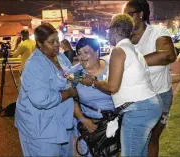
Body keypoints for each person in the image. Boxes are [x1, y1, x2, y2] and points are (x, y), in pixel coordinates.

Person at [79, 14, 162, 156]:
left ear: (115, 29)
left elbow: (112, 87)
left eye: (108, 29)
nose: (107, 33)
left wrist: (92, 82)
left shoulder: (119, 50)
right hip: (150, 105)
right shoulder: (132, 49)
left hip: (138, 109)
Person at [14, 23, 78, 157]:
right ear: (39, 44)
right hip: (40, 129)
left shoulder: (60, 57)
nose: (56, 45)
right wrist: (70, 93)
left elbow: (69, 75)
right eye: (51, 42)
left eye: (57, 41)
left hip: (61, 123)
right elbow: (42, 100)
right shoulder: (34, 65)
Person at [123, 1, 176, 156]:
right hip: (134, 98)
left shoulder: (157, 31)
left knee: (153, 137)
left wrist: (132, 63)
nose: (127, 18)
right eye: (124, 15)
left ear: (141, 14)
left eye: (130, 14)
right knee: (137, 140)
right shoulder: (124, 39)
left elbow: (168, 54)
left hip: (160, 95)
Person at [71, 38, 116, 156]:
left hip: (113, 123)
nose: (82, 57)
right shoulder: (76, 73)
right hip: (89, 125)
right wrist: (82, 119)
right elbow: (72, 98)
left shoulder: (112, 69)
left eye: (86, 52)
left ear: (97, 52)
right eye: (79, 53)